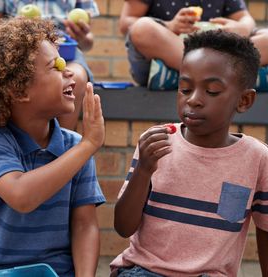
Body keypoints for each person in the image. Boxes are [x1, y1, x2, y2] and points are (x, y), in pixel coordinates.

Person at [0, 17, 105, 277]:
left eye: (64, 63)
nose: (68, 71)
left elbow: (85, 226)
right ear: (19, 90)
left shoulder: (75, 147)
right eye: (54, 67)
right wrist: (89, 144)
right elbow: (21, 196)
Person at [111, 30, 268, 276]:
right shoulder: (156, 143)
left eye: (212, 91)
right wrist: (144, 170)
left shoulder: (257, 158)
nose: (193, 100)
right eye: (185, 89)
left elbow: (265, 232)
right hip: (145, 270)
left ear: (244, 101)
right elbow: (123, 227)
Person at [0, 0, 99, 130]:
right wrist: (14, 30)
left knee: (76, 78)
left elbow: (87, 42)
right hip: (22, 53)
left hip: (67, 49)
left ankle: (63, 143)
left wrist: (81, 36)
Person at [119, 0, 268, 87]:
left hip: (217, 47)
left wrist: (242, 27)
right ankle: (236, 74)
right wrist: (169, 26)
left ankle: (214, 73)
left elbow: (246, 19)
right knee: (143, 27)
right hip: (166, 56)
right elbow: (126, 23)